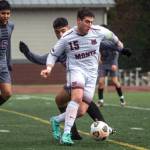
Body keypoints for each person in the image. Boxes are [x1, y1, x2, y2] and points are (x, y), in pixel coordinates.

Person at [40, 8, 127, 145]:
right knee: (77, 97)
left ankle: (56, 120)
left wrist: (121, 48)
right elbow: (53, 54)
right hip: (76, 71)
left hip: (92, 76)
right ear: (78, 21)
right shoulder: (67, 36)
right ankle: (66, 135)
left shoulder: (97, 31)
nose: (90, 25)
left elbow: (112, 36)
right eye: (87, 21)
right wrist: (49, 68)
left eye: (91, 22)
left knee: (81, 111)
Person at [19, 17, 107, 141]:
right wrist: (27, 53)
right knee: (60, 100)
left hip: (88, 77)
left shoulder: (80, 37)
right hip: (75, 80)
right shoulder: (60, 48)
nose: (60, 34)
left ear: (69, 28)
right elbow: (42, 59)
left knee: (82, 103)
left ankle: (102, 126)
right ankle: (73, 132)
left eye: (63, 30)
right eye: (57, 32)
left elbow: (101, 41)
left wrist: (115, 49)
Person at [97, 39, 126, 107]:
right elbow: (97, 51)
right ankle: (101, 101)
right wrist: (99, 58)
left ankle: (122, 98)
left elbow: (116, 53)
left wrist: (114, 64)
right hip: (103, 64)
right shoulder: (100, 42)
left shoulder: (113, 42)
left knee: (114, 81)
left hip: (112, 63)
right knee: (101, 82)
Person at [0, 0, 14, 106]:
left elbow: (7, 45)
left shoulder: (11, 26)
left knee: (7, 93)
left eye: (8, 13)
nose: (6, 16)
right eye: (3, 13)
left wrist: (9, 62)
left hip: (3, 63)